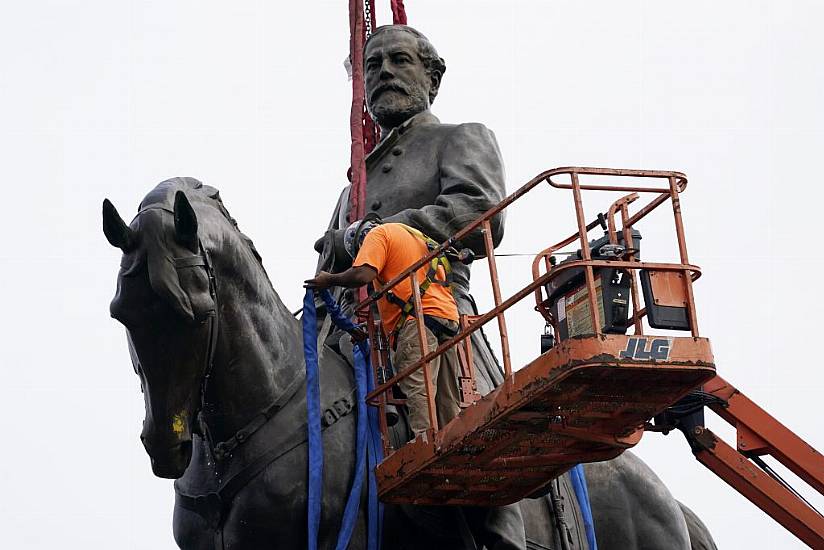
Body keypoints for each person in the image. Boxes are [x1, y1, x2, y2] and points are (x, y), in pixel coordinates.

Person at [306, 218, 462, 435]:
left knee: (419, 388)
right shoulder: (415, 237)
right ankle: (453, 438)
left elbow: (363, 274)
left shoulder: (376, 236)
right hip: (448, 318)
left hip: (417, 322)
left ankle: (426, 444)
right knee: (447, 394)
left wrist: (330, 279)